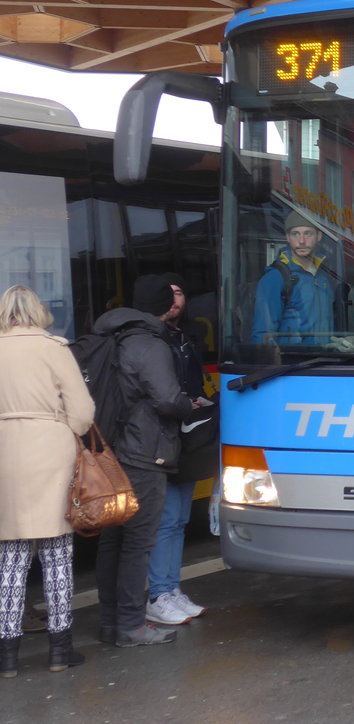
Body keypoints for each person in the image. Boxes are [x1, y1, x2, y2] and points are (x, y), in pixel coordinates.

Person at [94, 274, 195, 648]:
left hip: (109, 451)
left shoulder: (110, 336)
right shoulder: (150, 345)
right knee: (138, 541)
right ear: (162, 305)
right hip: (143, 451)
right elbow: (167, 399)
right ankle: (133, 623)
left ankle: (110, 622)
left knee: (112, 540)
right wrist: (189, 405)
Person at [0, 285, 94, 677]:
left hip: (5, 452)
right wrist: (62, 430)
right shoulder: (54, 348)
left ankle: (7, 657)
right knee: (57, 553)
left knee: (10, 556)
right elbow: (84, 411)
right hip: (51, 450)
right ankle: (60, 650)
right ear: (38, 311)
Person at [144, 274, 214, 627]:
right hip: (164, 440)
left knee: (181, 520)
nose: (174, 299)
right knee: (168, 520)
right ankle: (158, 594)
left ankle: (171, 589)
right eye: (167, 294)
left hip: (187, 438)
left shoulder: (186, 338)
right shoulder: (151, 342)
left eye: (180, 292)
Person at [251, 210, 336, 344]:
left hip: (325, 361)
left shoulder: (325, 277)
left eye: (308, 233)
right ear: (287, 237)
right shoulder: (275, 278)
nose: (301, 241)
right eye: (295, 234)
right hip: (293, 362)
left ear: (319, 236)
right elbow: (263, 336)